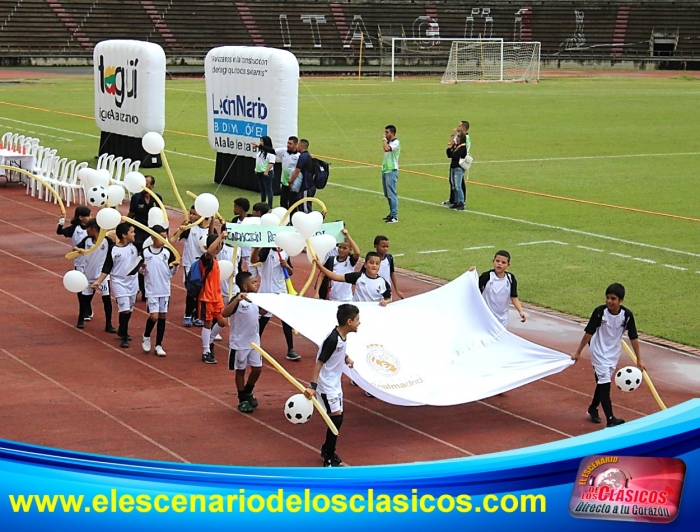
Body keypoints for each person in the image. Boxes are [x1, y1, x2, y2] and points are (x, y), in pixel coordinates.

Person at [571, 283, 645, 428]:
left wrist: (639, 359)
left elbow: (633, 337)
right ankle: (611, 419)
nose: (609, 301)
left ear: (620, 300)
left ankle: (593, 408)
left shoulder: (627, 316)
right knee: (605, 385)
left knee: (602, 383)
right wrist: (578, 352)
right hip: (598, 352)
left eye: (613, 299)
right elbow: (589, 333)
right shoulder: (600, 312)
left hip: (613, 353)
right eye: (608, 298)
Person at [304, 303, 360, 467]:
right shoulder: (333, 339)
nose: (359, 323)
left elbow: (338, 351)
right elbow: (319, 362)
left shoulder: (341, 336)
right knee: (336, 419)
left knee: (337, 418)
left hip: (335, 383)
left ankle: (327, 450)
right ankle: (329, 456)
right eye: (357, 319)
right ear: (349, 322)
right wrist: (312, 386)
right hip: (327, 384)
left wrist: (346, 357)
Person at [223, 271, 267, 413]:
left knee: (257, 369)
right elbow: (225, 313)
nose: (256, 283)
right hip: (239, 343)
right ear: (245, 286)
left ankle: (248, 390)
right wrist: (237, 299)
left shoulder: (256, 299)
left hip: (254, 342)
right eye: (253, 282)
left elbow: (261, 312)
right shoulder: (238, 300)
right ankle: (242, 398)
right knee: (240, 370)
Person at [92, 222, 140, 348]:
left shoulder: (135, 246)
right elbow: (107, 267)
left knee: (129, 309)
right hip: (119, 282)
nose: (134, 234)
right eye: (131, 232)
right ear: (124, 235)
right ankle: (124, 336)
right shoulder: (113, 249)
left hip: (133, 282)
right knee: (124, 310)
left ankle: (121, 330)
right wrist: (98, 281)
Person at [251, 245, 300, 361]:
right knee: (263, 318)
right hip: (266, 291)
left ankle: (290, 349)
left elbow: (290, 272)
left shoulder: (285, 252)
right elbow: (254, 260)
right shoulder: (266, 251)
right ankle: (254, 344)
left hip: (281, 291)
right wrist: (257, 248)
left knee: (286, 320)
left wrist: (286, 265)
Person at [140, 225, 178, 356]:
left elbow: (171, 273)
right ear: (152, 237)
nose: (163, 240)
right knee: (153, 316)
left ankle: (158, 345)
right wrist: (142, 268)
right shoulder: (145, 252)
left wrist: (175, 267)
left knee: (162, 316)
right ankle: (146, 336)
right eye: (160, 237)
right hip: (151, 290)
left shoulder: (167, 252)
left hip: (165, 289)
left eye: (165, 237)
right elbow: (140, 271)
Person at [73, 218, 114, 332]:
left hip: (102, 276)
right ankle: (80, 319)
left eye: (88, 229)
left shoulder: (107, 241)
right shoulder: (87, 240)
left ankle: (109, 324)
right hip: (88, 275)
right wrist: (78, 249)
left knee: (106, 300)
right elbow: (75, 247)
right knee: (85, 300)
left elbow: (115, 249)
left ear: (93, 229)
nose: (86, 231)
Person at [127, 175, 162, 301]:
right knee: (139, 260)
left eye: (147, 183)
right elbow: (131, 214)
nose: (144, 185)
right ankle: (137, 289)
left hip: (153, 233)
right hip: (140, 233)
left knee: (152, 262)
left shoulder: (157, 198)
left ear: (152, 186)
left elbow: (162, 216)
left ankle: (148, 290)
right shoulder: (136, 198)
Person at [470, 250, 526, 327]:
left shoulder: (510, 278)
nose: (499, 264)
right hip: (486, 316)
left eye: (503, 262)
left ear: (508, 265)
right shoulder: (487, 277)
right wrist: (470, 273)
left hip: (502, 318)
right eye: (497, 261)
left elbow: (514, 297)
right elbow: (473, 288)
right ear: (493, 261)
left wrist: (521, 311)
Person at [198, 226, 229, 364]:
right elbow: (210, 251)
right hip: (206, 297)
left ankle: (209, 340)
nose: (219, 247)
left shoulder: (216, 261)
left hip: (217, 297)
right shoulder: (206, 259)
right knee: (208, 323)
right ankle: (206, 351)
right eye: (217, 244)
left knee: (223, 322)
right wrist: (220, 237)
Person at [177, 206, 211, 327]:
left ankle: (198, 315)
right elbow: (175, 239)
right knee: (192, 291)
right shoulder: (189, 228)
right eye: (190, 213)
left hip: (205, 265)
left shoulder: (210, 230)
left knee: (203, 292)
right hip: (190, 265)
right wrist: (181, 229)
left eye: (194, 214)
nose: (191, 216)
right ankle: (188, 314)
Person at [314, 251, 391, 306]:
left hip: (373, 313)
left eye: (377, 264)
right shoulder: (358, 277)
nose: (374, 265)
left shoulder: (383, 282)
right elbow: (335, 277)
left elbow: (389, 298)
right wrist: (320, 266)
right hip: (357, 311)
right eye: (371, 263)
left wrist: (386, 301)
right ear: (365, 265)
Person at [57, 205, 92, 319]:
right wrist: (62, 220)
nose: (90, 217)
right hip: (79, 262)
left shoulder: (93, 228)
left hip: (91, 262)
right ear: (81, 217)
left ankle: (87, 308)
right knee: (81, 286)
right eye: (88, 215)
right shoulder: (74, 228)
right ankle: (85, 310)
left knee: (90, 287)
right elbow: (59, 232)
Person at [313, 228, 360, 302]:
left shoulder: (350, 260)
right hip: (332, 297)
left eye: (344, 248)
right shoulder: (331, 259)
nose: (341, 250)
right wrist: (316, 292)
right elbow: (322, 275)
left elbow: (357, 252)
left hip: (347, 298)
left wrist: (347, 236)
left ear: (350, 249)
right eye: (340, 247)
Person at [255, 136, 299, 210]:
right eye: (288, 143)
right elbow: (271, 150)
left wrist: (293, 181)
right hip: (284, 182)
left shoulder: (299, 155)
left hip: (294, 183)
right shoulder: (283, 151)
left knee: (293, 203)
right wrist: (260, 146)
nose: (288, 145)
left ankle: (292, 218)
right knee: (283, 202)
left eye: (290, 143)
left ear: (296, 144)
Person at [444, 121, 470, 206]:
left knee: (459, 184)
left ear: (463, 128)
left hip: (460, 163)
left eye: (459, 126)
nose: (457, 127)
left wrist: (454, 149)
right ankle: (454, 200)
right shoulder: (459, 137)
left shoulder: (465, 138)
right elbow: (451, 147)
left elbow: (459, 150)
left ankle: (461, 201)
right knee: (453, 183)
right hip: (454, 163)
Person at [231, 197, 256, 279]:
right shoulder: (234, 221)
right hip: (238, 251)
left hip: (249, 252)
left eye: (235, 207)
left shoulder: (253, 221)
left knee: (252, 273)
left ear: (240, 208)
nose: (233, 209)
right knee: (237, 270)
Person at [374, 235, 405, 300]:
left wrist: (397, 290)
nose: (385, 248)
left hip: (387, 290)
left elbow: (392, 273)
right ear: (376, 246)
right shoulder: (372, 259)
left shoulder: (389, 258)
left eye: (387, 246)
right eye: (383, 246)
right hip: (374, 290)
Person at [288, 138, 315, 214]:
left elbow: (297, 171)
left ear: (301, 146)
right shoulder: (308, 156)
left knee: (305, 208)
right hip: (308, 185)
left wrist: (290, 181)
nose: (296, 147)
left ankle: (308, 223)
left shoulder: (303, 157)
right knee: (302, 206)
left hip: (306, 186)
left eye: (298, 145)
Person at [381, 125, 401, 223]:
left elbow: (386, 149)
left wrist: (384, 139)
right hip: (385, 170)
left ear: (392, 133)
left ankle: (394, 216)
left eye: (387, 132)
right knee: (387, 194)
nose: (385, 134)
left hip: (392, 170)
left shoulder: (396, 142)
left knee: (392, 194)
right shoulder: (389, 142)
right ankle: (391, 213)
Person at [254, 136, 276, 207]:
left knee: (268, 190)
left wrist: (266, 171)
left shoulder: (271, 152)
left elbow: (271, 163)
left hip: (267, 173)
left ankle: (270, 205)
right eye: (260, 141)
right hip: (259, 172)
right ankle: (262, 203)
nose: (260, 143)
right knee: (262, 190)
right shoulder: (261, 151)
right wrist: (256, 169)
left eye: (262, 141)